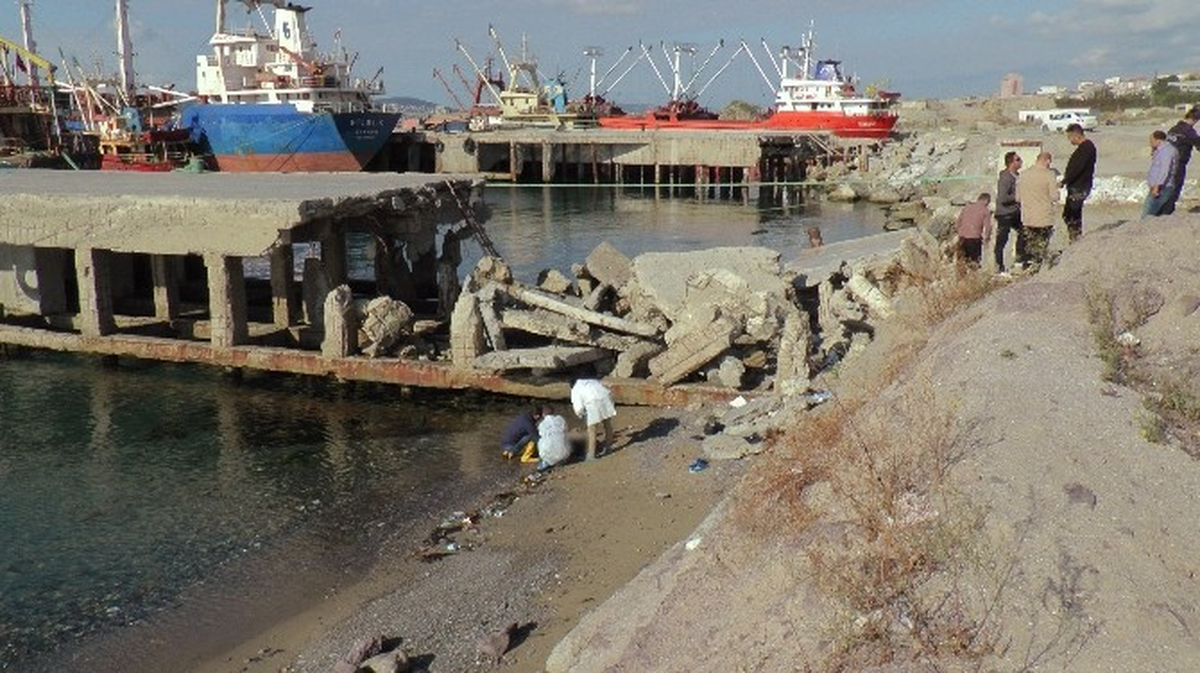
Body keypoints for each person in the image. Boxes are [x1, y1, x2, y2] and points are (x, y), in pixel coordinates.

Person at [1016, 152, 1059, 270]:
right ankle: (1038, 268)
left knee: (1029, 244)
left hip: (1028, 217)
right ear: (1048, 161)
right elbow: (1054, 196)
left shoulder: (1023, 174)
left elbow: (1018, 198)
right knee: (1041, 246)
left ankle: (1027, 267)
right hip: (1044, 217)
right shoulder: (1049, 174)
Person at [1061, 123, 1096, 242]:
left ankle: (1075, 239)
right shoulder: (1083, 148)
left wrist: (1065, 181)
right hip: (1076, 186)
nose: (1070, 140)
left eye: (1070, 137)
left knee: (1072, 215)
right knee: (1068, 214)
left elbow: (1078, 168)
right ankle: (1074, 238)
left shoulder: (1086, 148)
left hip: (1080, 186)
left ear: (1075, 135)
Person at [1162, 107, 1200, 214]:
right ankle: (1166, 213)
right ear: (1195, 119)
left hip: (1165, 162)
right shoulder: (1188, 131)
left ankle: (1161, 211)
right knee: (1174, 189)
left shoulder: (1173, 129)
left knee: (1165, 187)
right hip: (1178, 163)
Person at [570, 377, 616, 461]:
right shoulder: (590, 381)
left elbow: (578, 407)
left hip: (593, 402)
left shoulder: (575, 389)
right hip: (606, 396)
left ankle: (591, 455)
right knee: (607, 424)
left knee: (592, 429)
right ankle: (608, 447)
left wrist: (581, 416)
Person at [994, 151, 1024, 273]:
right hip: (1005, 213)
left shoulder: (1016, 175)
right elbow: (1003, 198)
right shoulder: (1006, 178)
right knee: (1002, 239)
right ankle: (999, 265)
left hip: (1015, 212)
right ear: (1011, 162)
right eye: (1018, 159)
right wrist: (1018, 197)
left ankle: (1020, 259)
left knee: (1024, 232)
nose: (1021, 161)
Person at [1144, 130, 1179, 218]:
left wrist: (1157, 186)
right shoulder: (1161, 150)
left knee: (1148, 214)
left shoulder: (1167, 151)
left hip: (1162, 188)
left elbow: (1165, 170)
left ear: (1158, 140)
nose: (1150, 143)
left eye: (1151, 141)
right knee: (1158, 215)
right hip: (1159, 187)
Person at [954, 193, 992, 267]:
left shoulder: (966, 208)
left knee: (961, 263)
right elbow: (988, 227)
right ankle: (973, 277)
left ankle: (960, 278)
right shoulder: (985, 211)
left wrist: (960, 232)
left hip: (962, 238)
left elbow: (958, 223)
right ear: (986, 201)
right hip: (974, 239)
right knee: (974, 263)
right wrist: (987, 239)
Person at [535, 406, 570, 470]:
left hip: (548, 454)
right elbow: (566, 430)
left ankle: (543, 464)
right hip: (564, 454)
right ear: (553, 412)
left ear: (543, 414)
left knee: (540, 440)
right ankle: (561, 461)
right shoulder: (561, 419)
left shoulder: (542, 424)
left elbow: (540, 434)